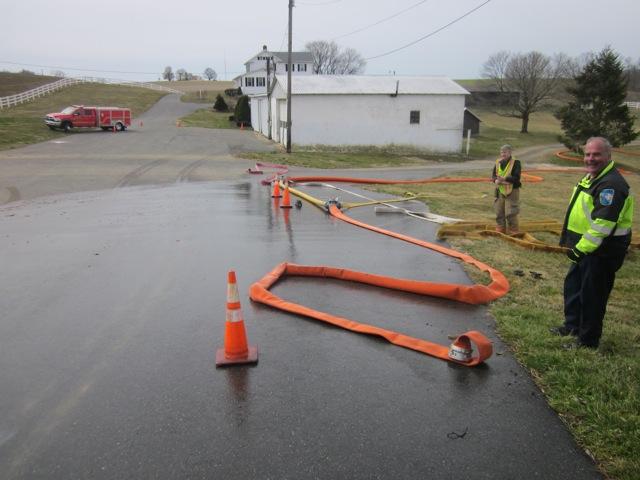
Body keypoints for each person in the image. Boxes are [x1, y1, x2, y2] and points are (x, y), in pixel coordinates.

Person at [551, 137, 634, 349]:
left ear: (608, 156)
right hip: (585, 247)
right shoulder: (593, 178)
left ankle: (588, 341)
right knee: (574, 287)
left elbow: (602, 224)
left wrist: (581, 249)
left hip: (601, 251)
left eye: (596, 154)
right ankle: (572, 326)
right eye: (587, 154)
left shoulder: (611, 185)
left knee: (592, 296)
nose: (590, 158)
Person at [491, 144, 522, 235]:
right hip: (500, 190)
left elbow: (516, 178)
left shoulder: (516, 163)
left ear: (510, 152)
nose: (503, 154)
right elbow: (493, 175)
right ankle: (501, 228)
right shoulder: (498, 162)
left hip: (512, 190)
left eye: (505, 152)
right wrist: (495, 180)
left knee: (511, 212)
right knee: (499, 210)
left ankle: (513, 230)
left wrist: (504, 179)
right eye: (501, 152)